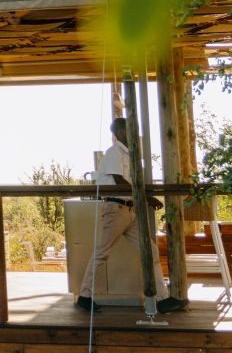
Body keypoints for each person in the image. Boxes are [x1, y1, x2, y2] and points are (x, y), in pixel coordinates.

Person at [77, 117, 186, 314]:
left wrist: (141, 198)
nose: (132, 134)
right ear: (119, 133)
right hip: (116, 210)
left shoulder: (128, 154)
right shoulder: (114, 153)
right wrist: (146, 197)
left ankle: (161, 299)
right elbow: (119, 182)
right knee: (101, 253)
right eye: (128, 130)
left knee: (150, 250)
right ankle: (84, 296)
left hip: (130, 210)